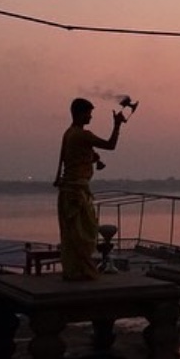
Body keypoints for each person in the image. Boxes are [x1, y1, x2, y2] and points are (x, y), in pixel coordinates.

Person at [54, 97, 125, 281]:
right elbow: (110, 145)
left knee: (74, 236)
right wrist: (117, 125)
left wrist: (94, 158)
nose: (91, 117)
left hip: (70, 191)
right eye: (89, 114)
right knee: (85, 234)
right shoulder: (82, 135)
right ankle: (81, 271)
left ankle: (76, 271)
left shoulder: (69, 134)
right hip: (76, 193)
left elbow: (78, 155)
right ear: (79, 114)